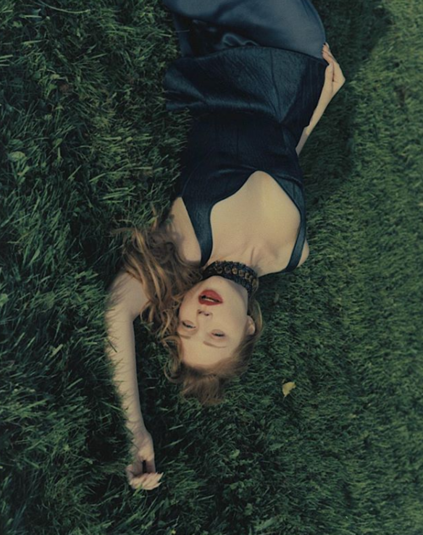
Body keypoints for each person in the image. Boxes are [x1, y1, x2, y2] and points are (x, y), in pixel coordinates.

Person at [105, 0, 346, 491]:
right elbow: (282, 158)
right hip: (293, 61)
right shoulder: (292, 254)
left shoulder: (191, 243)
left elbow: (114, 312)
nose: (202, 316)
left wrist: (135, 429)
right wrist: (317, 106)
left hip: (229, 61)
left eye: (187, 325)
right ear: (249, 327)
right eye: (216, 334)